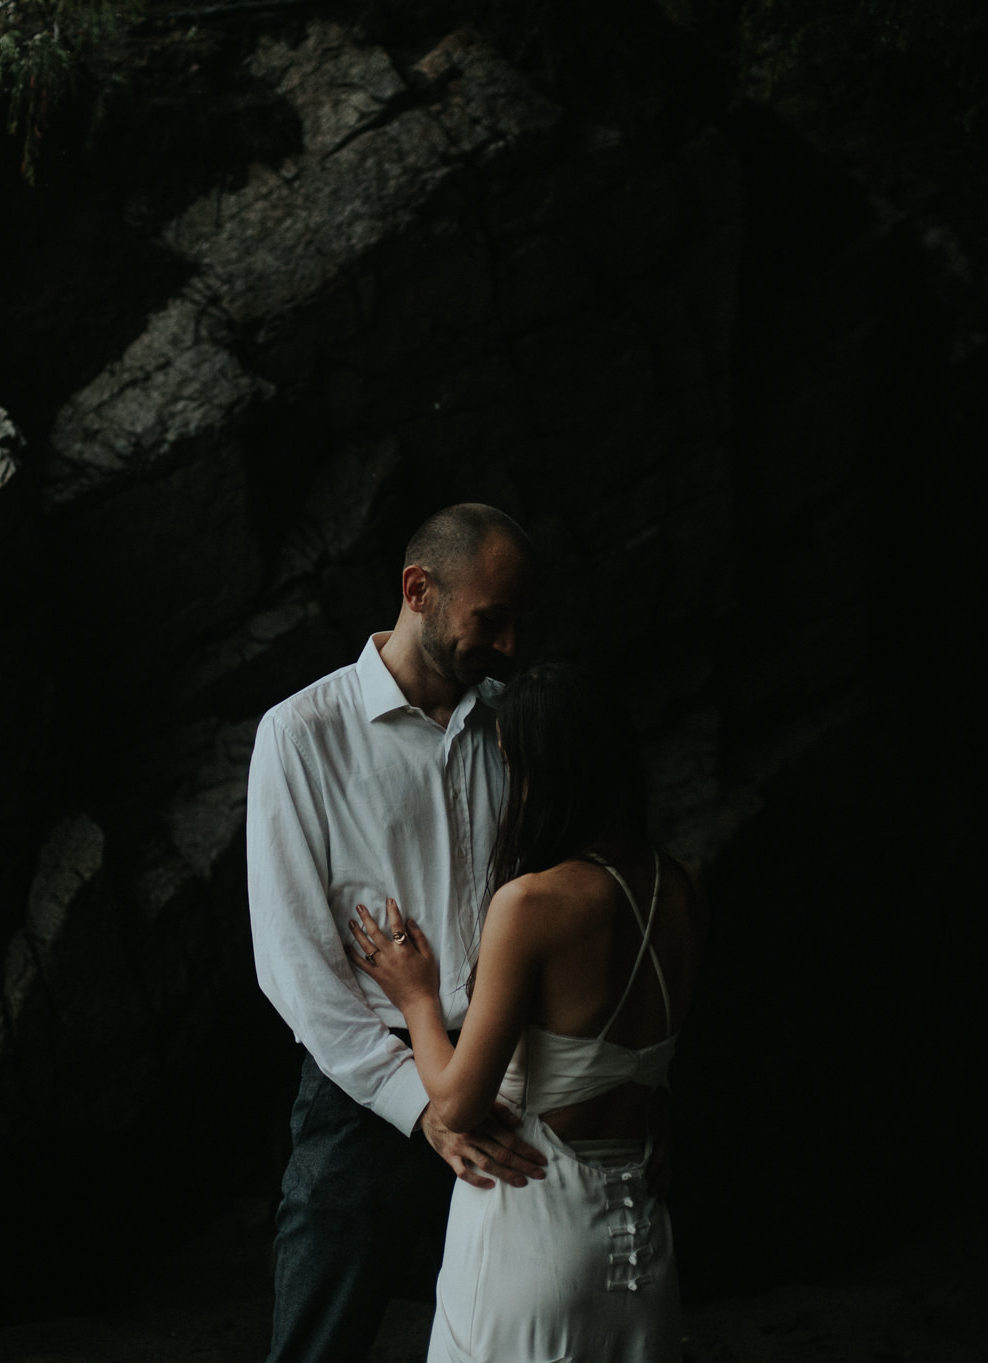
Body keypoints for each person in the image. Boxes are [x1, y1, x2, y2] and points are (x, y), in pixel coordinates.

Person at [248, 504, 549, 1363]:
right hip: (363, 1098)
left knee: (502, 1342)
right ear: (419, 590)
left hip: (509, 1078)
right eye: (492, 620)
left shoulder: (513, 725)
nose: (511, 646)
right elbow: (294, 966)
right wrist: (423, 1107)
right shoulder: (301, 736)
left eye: (519, 622)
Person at [350, 661, 706, 1363]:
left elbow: (455, 1103)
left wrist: (418, 996)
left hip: (530, 1232)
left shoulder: (533, 905)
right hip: (643, 1248)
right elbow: (646, 1068)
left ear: (547, 771)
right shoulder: (682, 890)